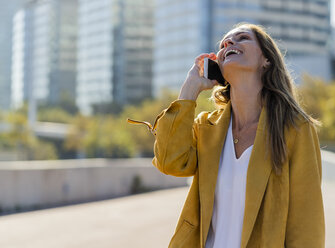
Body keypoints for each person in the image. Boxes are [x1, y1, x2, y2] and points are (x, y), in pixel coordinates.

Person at [129, 23, 325, 248]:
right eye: (224, 44)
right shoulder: (206, 127)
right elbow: (169, 162)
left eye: (242, 38)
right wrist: (189, 89)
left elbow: (306, 221)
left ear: (267, 60)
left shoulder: (295, 129)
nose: (229, 43)